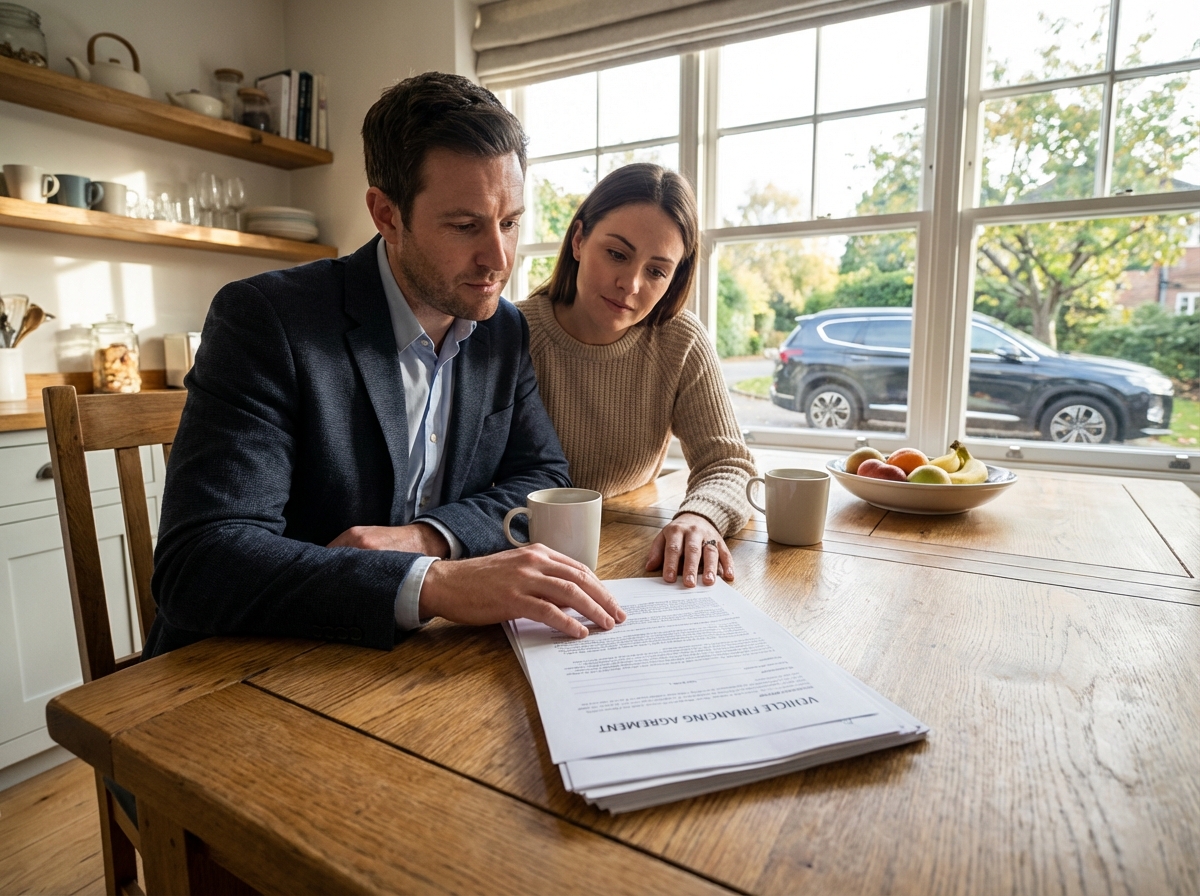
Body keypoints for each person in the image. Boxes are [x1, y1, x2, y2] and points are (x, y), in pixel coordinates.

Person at [144, 72, 625, 658]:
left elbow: (545, 478)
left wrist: (431, 538)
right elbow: (200, 563)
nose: (498, 259)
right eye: (465, 225)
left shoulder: (502, 330)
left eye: (509, 222)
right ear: (386, 214)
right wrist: (432, 585)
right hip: (248, 668)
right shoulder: (266, 320)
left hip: (407, 660)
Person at [518, 163, 756, 589]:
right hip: (522, 551)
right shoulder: (511, 332)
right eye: (617, 254)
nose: (629, 283)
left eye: (656, 271)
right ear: (578, 240)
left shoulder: (680, 340)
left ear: (674, 278)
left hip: (633, 556)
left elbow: (728, 463)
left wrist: (699, 515)